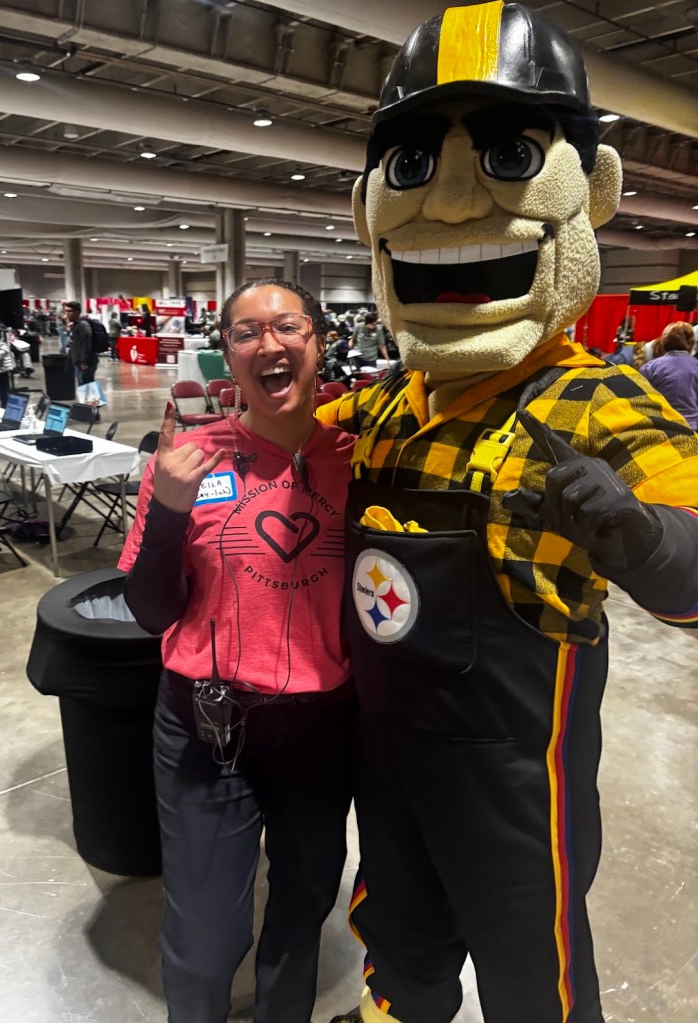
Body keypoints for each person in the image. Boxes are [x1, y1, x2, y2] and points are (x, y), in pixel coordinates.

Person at [316, 5, 698, 1023]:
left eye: (508, 155)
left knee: (532, 961)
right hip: (386, 744)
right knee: (396, 925)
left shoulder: (597, 400)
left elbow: (696, 566)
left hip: (514, 770)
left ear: (590, 191)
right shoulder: (388, 405)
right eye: (411, 167)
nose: (448, 203)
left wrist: (642, 536)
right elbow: (289, 446)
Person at [119, 278, 356, 1023]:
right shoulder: (187, 460)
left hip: (321, 728)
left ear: (318, 343)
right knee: (205, 935)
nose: (269, 343)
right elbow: (150, 611)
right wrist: (168, 513)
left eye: (288, 326)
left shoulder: (359, 459)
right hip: (205, 725)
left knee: (304, 904)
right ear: (228, 354)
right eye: (247, 332)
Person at [640, 320, 698, 429]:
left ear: (664, 342)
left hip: (662, 427)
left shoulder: (649, 368)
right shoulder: (696, 366)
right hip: (692, 428)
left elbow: (642, 402)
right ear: (691, 343)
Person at [64, 300, 96, 384]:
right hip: (78, 362)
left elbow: (86, 343)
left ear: (77, 312)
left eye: (69, 311)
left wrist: (83, 361)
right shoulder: (76, 324)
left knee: (86, 386)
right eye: (66, 311)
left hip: (85, 363)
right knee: (84, 386)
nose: (67, 314)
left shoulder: (83, 325)